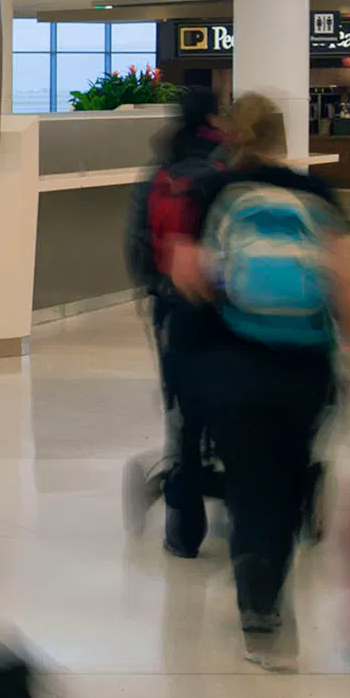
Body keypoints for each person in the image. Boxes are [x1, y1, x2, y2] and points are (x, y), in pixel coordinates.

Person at [169, 94, 350, 666]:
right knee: (293, 479)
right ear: (281, 137)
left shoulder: (209, 192)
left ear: (229, 134)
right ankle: (272, 575)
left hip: (233, 362)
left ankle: (259, 605)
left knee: (251, 484)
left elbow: (189, 277)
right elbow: (342, 286)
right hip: (306, 363)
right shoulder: (314, 194)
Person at [123, 82, 230, 556]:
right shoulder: (227, 165)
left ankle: (183, 531)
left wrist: (151, 286)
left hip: (170, 305)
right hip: (224, 306)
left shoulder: (161, 167)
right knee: (230, 399)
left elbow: (138, 237)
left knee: (182, 412)